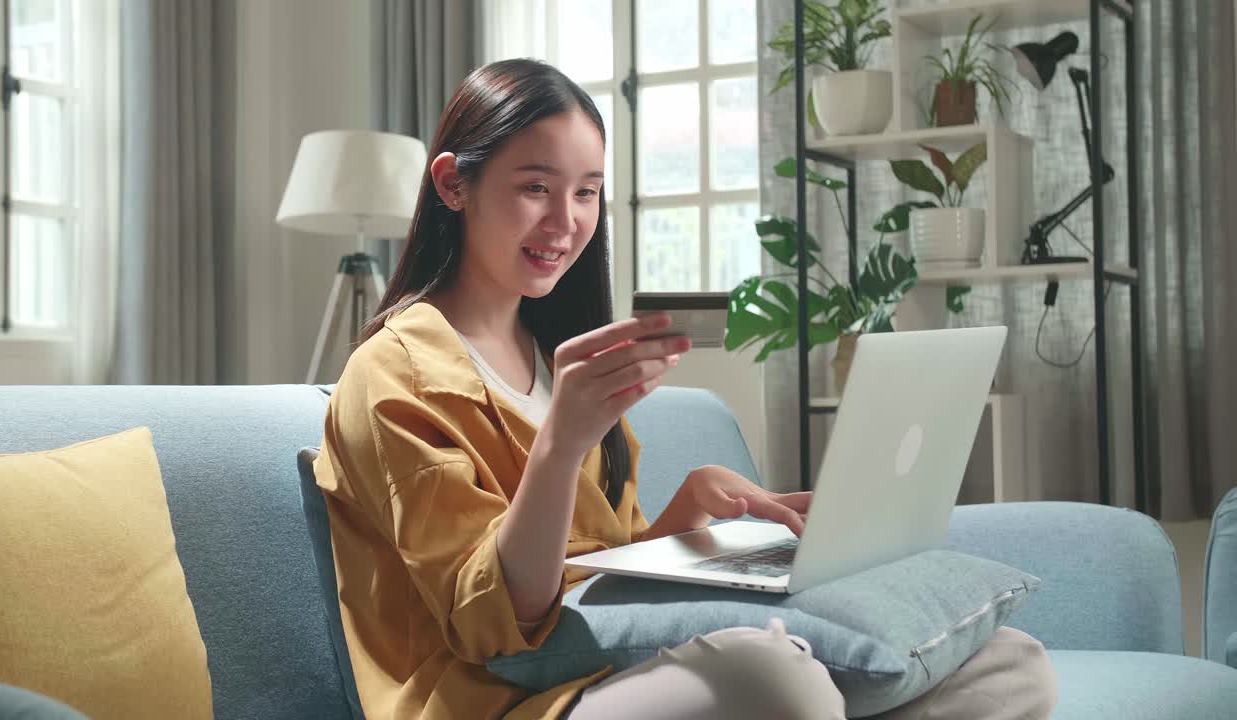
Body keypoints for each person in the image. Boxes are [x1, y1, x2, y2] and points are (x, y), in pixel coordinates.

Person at [312, 58, 1058, 720]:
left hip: (608, 665)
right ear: (453, 183)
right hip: (508, 699)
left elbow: (599, 575)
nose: (565, 222)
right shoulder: (393, 375)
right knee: (777, 680)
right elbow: (496, 623)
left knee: (1010, 663)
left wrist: (687, 514)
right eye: (535, 187)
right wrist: (561, 445)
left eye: (587, 192)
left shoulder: (551, 355)